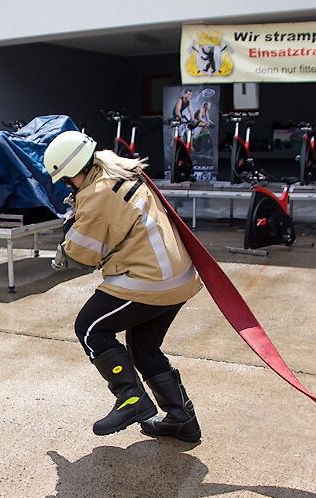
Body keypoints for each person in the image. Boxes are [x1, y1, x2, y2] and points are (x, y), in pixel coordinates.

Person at [44, 130, 203, 441]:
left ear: (78, 169)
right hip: (178, 276)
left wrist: (67, 234)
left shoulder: (97, 193)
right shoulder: (121, 170)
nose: (67, 185)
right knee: (144, 348)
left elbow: (83, 253)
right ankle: (181, 418)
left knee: (90, 328)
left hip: (149, 279)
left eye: (67, 179)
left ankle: (131, 399)